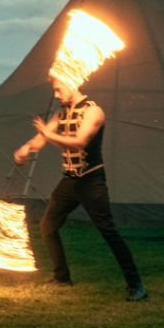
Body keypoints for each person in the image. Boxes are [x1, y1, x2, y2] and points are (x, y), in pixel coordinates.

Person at [14, 75, 147, 301]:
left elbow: (80, 141)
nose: (56, 95)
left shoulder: (94, 112)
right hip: (69, 181)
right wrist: (25, 149)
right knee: (48, 226)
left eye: (58, 90)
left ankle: (136, 286)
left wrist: (47, 133)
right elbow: (40, 140)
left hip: (91, 180)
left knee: (108, 231)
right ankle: (62, 279)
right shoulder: (61, 113)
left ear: (71, 82)